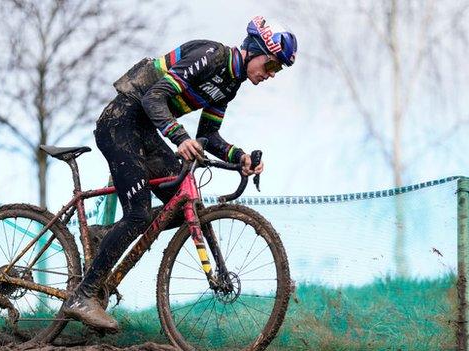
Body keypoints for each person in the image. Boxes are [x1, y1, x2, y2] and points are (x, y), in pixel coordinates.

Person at [62, 15, 297, 331]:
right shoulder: (212, 56)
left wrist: (239, 157)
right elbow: (152, 97)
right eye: (271, 66)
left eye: (277, 71)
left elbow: (209, 136)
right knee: (138, 215)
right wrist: (178, 136)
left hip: (145, 129)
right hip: (121, 121)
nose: (271, 75)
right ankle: (82, 296)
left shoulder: (230, 85)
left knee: (188, 207)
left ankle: (105, 236)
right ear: (254, 50)